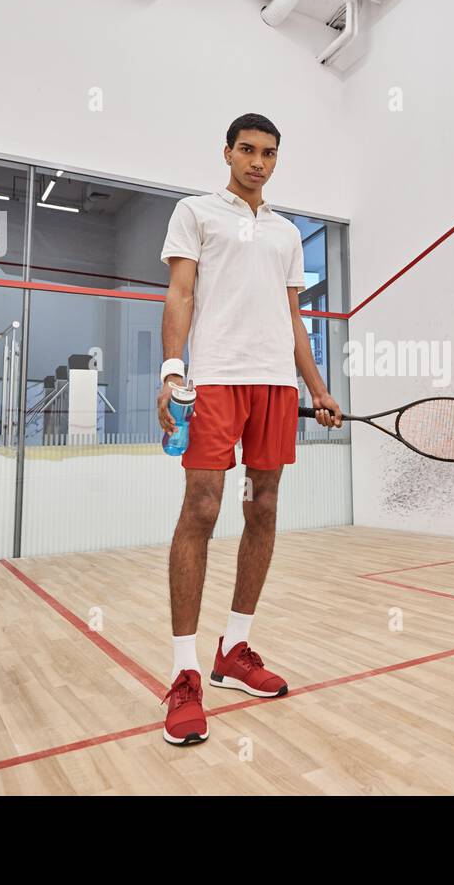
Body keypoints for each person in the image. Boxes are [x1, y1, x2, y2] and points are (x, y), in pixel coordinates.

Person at [155, 112, 343, 745]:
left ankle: (234, 650)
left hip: (274, 386)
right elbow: (179, 294)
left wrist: (314, 387)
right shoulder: (195, 213)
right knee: (202, 509)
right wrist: (172, 371)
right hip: (212, 380)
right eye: (247, 150)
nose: (258, 162)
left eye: (268, 153)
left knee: (262, 508)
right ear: (227, 152)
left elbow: (294, 319)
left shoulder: (287, 233)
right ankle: (184, 674)